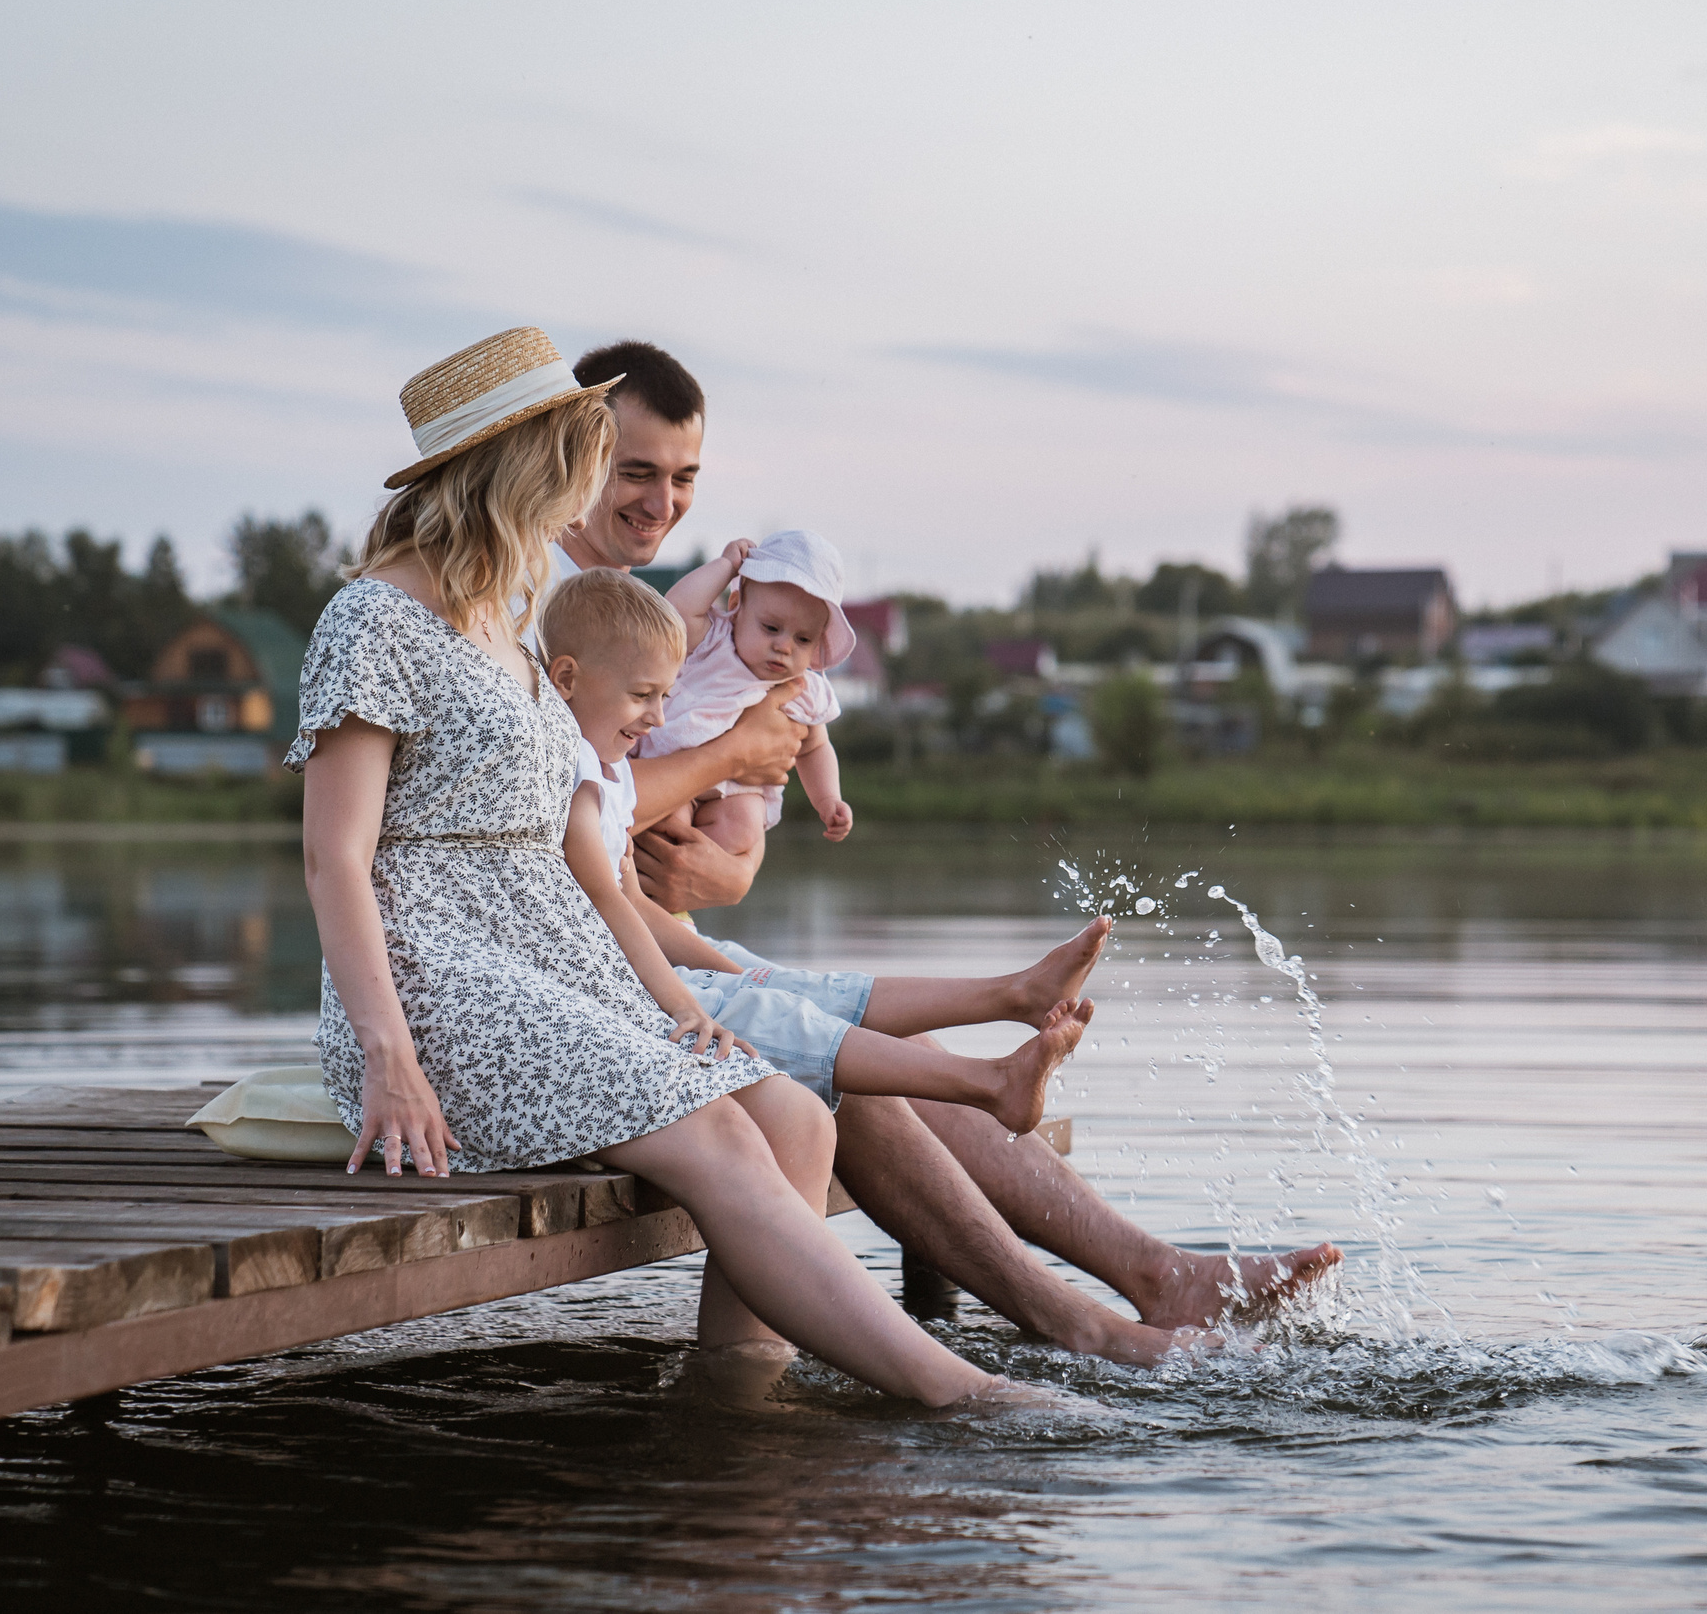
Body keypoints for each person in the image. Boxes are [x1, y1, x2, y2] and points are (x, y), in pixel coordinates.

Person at [539, 339, 1344, 1364]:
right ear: (572, 456)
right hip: (583, 979)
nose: (661, 502)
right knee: (836, 1074)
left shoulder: (660, 619)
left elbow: (680, 840)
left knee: (874, 1047)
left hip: (651, 947)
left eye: (682, 477)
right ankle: (1081, 1324)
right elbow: (573, 822)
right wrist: (735, 753)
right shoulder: (550, 615)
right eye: (636, 472)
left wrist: (728, 862)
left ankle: (1153, 1274)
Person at [295, 325, 1027, 1407]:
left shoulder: (506, 621)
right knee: (727, 1132)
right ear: (524, 462)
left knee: (794, 1115)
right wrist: (390, 1056)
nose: (596, 481)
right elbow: (333, 858)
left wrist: (671, 994)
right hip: (439, 984)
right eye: (585, 452)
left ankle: (735, 1403)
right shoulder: (373, 619)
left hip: (556, 962)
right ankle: (963, 1393)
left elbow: (584, 855)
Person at [540, 564, 1100, 1133]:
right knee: (773, 1014)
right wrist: (689, 1005)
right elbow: (609, 907)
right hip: (604, 991)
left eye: (663, 695)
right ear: (566, 679)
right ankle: (990, 1077)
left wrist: (738, 973)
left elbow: (631, 904)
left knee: (786, 989)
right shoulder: (577, 782)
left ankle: (1016, 997)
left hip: (635, 962)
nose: (659, 717)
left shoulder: (609, 774)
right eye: (643, 696)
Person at [641, 530, 853, 853]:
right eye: (771, 628)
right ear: (736, 605)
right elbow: (677, 610)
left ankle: (692, 877)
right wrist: (727, 565)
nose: (783, 647)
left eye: (803, 639)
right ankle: (645, 887)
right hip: (670, 771)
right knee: (670, 824)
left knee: (744, 829)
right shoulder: (714, 642)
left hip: (736, 791)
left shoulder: (804, 690)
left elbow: (815, 747)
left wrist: (828, 800)